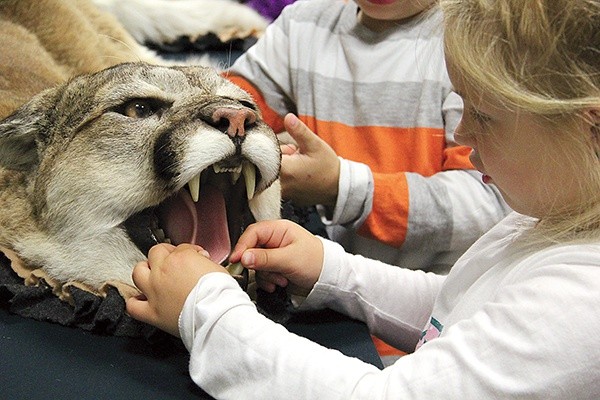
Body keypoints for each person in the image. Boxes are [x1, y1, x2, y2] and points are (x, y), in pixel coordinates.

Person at [126, 0, 600, 398]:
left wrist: (206, 310)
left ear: (591, 130)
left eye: (483, 115)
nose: (462, 131)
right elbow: (457, 307)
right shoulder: (548, 214)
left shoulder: (581, 301)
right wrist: (332, 270)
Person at [225, 0, 510, 273]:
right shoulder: (302, 26)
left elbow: (487, 206)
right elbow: (230, 103)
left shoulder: (474, 39)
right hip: (338, 278)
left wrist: (340, 186)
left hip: (447, 294)